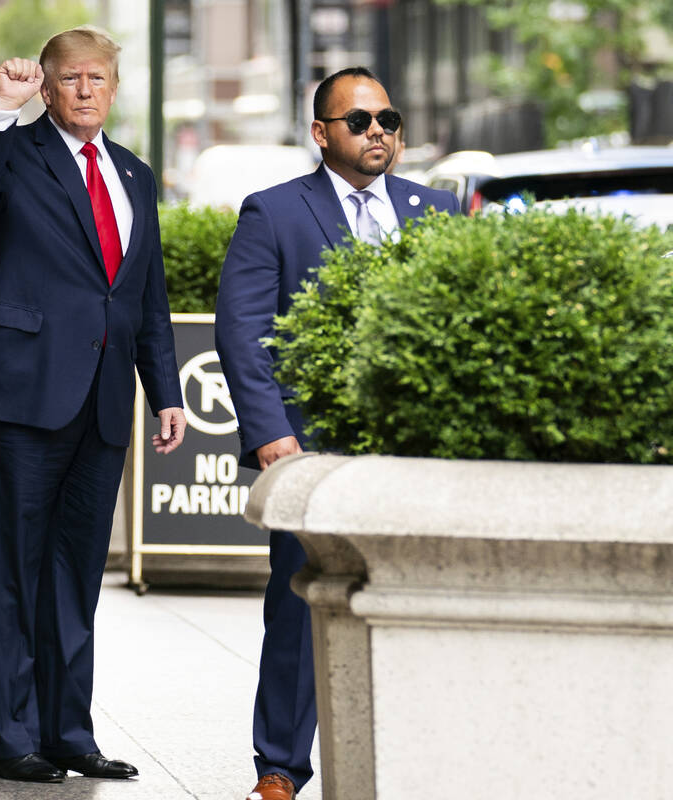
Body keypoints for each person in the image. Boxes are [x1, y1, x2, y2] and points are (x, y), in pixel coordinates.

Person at [0, 26, 187, 784]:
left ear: (113, 88)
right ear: (46, 85)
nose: (84, 90)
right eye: (69, 78)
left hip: (104, 401)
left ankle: (68, 733)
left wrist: (165, 391)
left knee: (75, 576)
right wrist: (2, 111)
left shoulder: (136, 175)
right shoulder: (16, 149)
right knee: (11, 571)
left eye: (97, 79)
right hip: (18, 393)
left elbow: (146, 295)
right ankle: (12, 740)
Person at [214, 66, 459, 800]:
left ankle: (412, 756)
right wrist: (271, 438)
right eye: (360, 121)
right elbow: (244, 333)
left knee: (418, 598)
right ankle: (281, 767)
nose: (378, 131)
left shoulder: (438, 210)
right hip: (308, 446)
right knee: (299, 600)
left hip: (412, 449)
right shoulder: (275, 212)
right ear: (321, 134)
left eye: (388, 118)